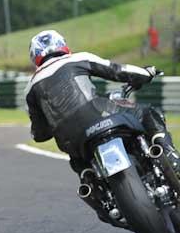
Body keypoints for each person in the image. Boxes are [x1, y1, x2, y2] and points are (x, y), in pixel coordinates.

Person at [25, 29, 179, 219]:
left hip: (70, 137)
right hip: (97, 113)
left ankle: (97, 192)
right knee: (147, 113)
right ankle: (170, 157)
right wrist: (146, 73)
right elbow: (118, 71)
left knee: (78, 160)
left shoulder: (30, 87)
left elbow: (39, 133)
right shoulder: (77, 58)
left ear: (35, 57)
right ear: (63, 45)